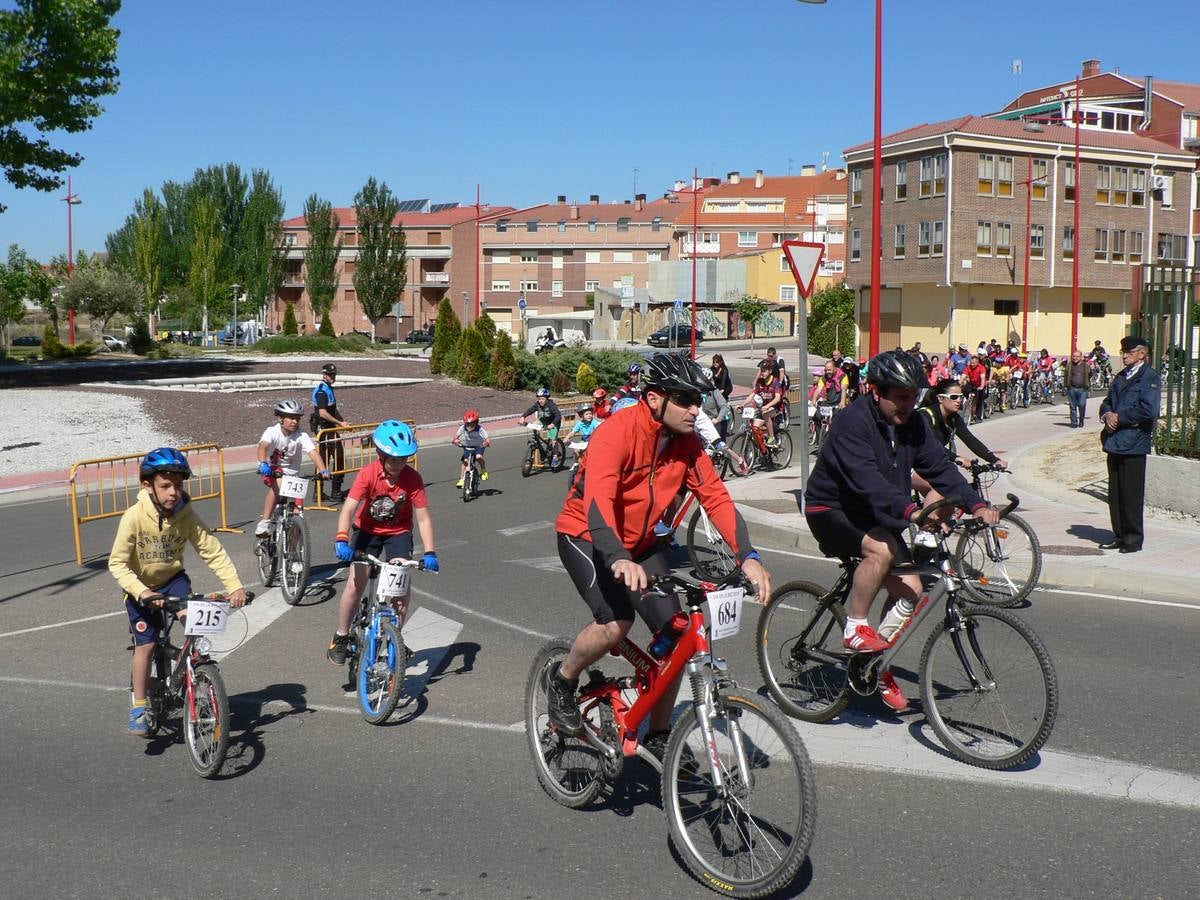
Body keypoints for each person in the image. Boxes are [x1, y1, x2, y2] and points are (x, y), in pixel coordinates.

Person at [546, 353, 770, 757]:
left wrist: (748, 556)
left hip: (642, 543)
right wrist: (617, 556)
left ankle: (659, 734)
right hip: (587, 535)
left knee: (680, 633)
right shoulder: (616, 433)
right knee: (616, 623)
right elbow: (598, 501)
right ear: (653, 399)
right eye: (685, 400)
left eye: (697, 400)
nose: (695, 409)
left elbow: (716, 497)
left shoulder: (687, 446)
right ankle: (562, 680)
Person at [803, 351, 998, 713]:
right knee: (880, 550)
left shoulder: (913, 425)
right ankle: (856, 627)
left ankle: (875, 665)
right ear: (876, 391)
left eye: (915, 396)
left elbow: (941, 469)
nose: (909, 405)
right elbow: (868, 482)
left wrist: (976, 504)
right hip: (832, 509)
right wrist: (912, 511)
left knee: (913, 590)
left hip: (877, 513)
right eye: (901, 397)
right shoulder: (852, 422)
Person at [109, 448, 248, 734]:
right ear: (147, 486)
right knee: (146, 645)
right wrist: (142, 592)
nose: (173, 492)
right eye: (165, 485)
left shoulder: (186, 515)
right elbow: (118, 564)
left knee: (192, 621)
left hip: (173, 580)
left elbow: (212, 550)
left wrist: (235, 585)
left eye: (178, 485)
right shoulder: (134, 517)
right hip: (141, 587)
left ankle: (196, 671)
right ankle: (139, 704)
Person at [327, 420, 438, 664]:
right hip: (367, 531)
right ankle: (341, 635)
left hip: (398, 533)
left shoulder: (412, 479)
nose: (400, 464)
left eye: (405, 459)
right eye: (395, 459)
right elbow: (348, 509)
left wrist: (430, 551)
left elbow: (423, 517)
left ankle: (394, 635)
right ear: (380, 454)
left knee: (401, 588)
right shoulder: (368, 474)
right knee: (357, 583)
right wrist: (342, 538)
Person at [1099, 335, 1161, 554]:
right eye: (1123, 351)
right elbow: (1107, 401)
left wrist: (1119, 418)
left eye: (1130, 352)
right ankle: (1119, 535)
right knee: (1115, 494)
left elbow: (1148, 410)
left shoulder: (1149, 377)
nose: (1124, 355)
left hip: (1134, 442)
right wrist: (1107, 414)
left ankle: (1133, 539)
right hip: (1115, 441)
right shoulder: (1121, 376)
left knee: (1131, 494)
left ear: (1142, 354)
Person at [256, 399, 331, 536]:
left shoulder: (301, 435)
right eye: (291, 418)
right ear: (280, 418)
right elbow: (263, 446)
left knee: (298, 513)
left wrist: (322, 469)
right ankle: (265, 522)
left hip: (293, 476)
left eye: (297, 419)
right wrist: (263, 463)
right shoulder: (272, 431)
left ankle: (294, 551)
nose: (295, 422)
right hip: (272, 469)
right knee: (277, 486)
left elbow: (313, 453)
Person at [916, 378, 1008, 476]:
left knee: (958, 484)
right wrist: (956, 458)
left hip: (930, 460)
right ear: (940, 398)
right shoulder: (925, 416)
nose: (959, 401)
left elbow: (970, 440)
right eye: (954, 397)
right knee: (937, 488)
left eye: (961, 397)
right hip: (910, 462)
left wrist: (994, 460)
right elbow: (931, 445)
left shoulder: (953, 418)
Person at [312, 363, 350, 501]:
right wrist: (339, 423)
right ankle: (334, 491)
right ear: (324, 375)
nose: (332, 377)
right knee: (338, 458)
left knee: (324, 460)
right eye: (330, 374)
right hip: (326, 430)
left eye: (334, 374)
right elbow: (323, 413)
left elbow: (333, 409)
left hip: (330, 429)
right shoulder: (322, 390)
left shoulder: (328, 388)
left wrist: (343, 422)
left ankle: (319, 492)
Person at [517, 386, 564, 467]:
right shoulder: (537, 404)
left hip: (553, 422)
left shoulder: (551, 405)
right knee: (533, 426)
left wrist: (552, 424)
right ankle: (539, 444)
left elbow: (558, 415)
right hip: (543, 420)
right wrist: (523, 417)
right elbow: (530, 410)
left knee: (553, 440)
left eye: (542, 398)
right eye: (539, 399)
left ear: (547, 398)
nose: (540, 401)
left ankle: (555, 457)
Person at [452, 409, 491, 487]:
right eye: (468, 423)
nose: (470, 425)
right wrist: (455, 440)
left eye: (472, 423)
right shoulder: (463, 427)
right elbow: (456, 436)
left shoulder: (480, 429)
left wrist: (486, 443)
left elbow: (487, 439)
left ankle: (483, 470)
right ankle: (462, 479)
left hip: (479, 446)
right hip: (468, 446)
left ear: (476, 422)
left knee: (478, 457)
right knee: (465, 461)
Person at [751, 359, 784, 445]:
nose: (762, 373)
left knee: (766, 414)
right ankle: (761, 449)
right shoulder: (760, 382)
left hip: (775, 408)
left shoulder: (775, 382)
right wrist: (742, 404)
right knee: (754, 428)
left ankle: (772, 437)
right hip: (763, 408)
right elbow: (752, 395)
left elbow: (777, 398)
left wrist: (767, 406)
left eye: (764, 371)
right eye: (761, 371)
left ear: (770, 371)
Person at [1063, 349, 1091, 428]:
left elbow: (1090, 375)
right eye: (1074, 356)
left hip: (1082, 389)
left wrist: (1087, 385)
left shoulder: (1086, 366)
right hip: (1071, 388)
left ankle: (1081, 420)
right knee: (1073, 406)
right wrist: (1066, 387)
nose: (1075, 358)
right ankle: (1074, 422)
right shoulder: (1069, 365)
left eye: (1077, 356)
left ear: (1081, 357)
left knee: (1082, 405)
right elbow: (1065, 376)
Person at [962, 352, 990, 423]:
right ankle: (966, 404)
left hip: (980, 385)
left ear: (977, 363)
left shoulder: (981, 368)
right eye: (971, 363)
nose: (972, 364)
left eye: (973, 363)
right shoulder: (968, 367)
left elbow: (983, 377)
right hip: (972, 384)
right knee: (964, 388)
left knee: (979, 400)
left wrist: (981, 386)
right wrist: (958, 383)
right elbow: (963, 376)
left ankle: (978, 416)